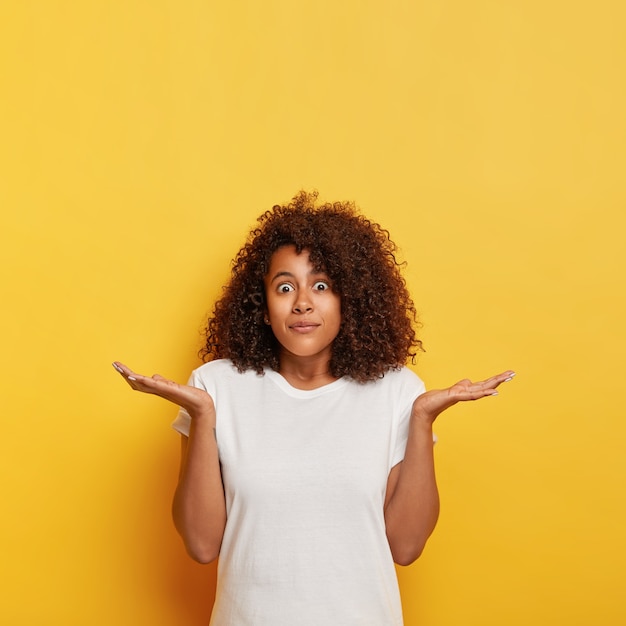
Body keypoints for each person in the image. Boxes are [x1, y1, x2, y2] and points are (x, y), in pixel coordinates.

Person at [113, 191, 514, 626]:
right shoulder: (216, 386)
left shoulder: (397, 391)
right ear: (263, 309)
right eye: (285, 287)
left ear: (349, 301)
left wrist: (422, 419)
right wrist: (205, 418)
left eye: (321, 286)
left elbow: (406, 547)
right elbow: (202, 544)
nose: (302, 302)